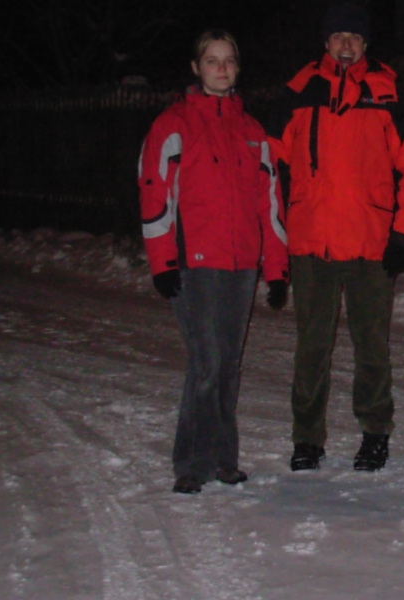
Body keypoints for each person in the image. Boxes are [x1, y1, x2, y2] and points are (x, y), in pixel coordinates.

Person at [271, 3, 404, 473]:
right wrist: (276, 240)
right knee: (312, 347)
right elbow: (273, 170)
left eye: (353, 37)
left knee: (372, 346)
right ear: (325, 42)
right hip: (311, 241)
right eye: (337, 35)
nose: (345, 44)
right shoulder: (298, 90)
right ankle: (307, 439)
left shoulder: (389, 92)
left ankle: (375, 433)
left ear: (365, 44)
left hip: (370, 243)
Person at [139, 29, 289, 494]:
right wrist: (162, 261)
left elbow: (271, 203)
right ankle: (191, 462)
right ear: (195, 68)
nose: (221, 69)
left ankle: (225, 458)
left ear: (237, 68)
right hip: (193, 261)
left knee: (228, 365)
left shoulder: (252, 132)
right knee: (205, 362)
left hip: (241, 263)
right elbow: (154, 193)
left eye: (228, 61)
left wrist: (276, 268)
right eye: (211, 61)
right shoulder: (174, 124)